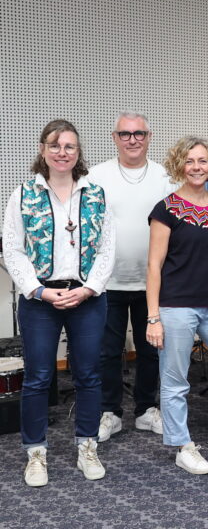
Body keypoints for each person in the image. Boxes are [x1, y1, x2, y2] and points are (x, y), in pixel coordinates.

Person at [3, 119, 115, 487]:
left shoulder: (95, 194)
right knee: (37, 378)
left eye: (69, 146)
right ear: (42, 150)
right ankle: (35, 453)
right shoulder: (22, 195)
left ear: (78, 152)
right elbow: (13, 250)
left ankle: (87, 446)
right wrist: (39, 290)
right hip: (40, 300)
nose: (62, 152)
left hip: (87, 297)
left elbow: (106, 248)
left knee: (87, 374)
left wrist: (89, 288)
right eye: (55, 145)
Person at [146, 136, 208, 475]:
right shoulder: (166, 209)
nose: (197, 167)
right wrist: (153, 317)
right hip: (175, 308)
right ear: (179, 165)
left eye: (202, 161)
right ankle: (181, 445)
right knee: (174, 381)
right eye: (190, 161)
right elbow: (154, 266)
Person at [89, 111, 173, 443]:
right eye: (125, 134)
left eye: (139, 133)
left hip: (152, 282)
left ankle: (145, 410)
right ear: (114, 138)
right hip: (107, 283)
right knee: (107, 351)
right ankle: (110, 411)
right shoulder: (97, 176)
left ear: (149, 137)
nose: (133, 139)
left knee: (151, 349)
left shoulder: (165, 177)